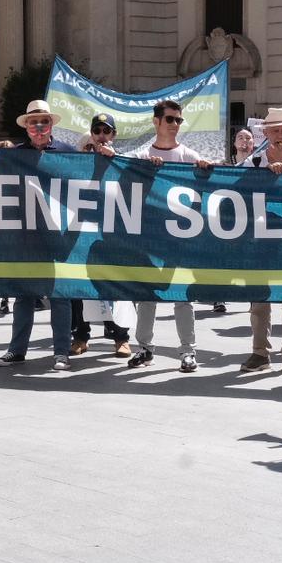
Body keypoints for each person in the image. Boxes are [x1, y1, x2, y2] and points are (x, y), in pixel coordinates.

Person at [127, 100, 211, 372]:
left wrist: (205, 168)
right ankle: (144, 348)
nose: (175, 125)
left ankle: (188, 351)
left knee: (182, 297)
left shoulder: (188, 155)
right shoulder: (141, 156)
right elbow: (120, 173)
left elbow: (211, 179)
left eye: (179, 120)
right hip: (150, 237)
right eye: (170, 119)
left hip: (180, 239)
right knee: (147, 296)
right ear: (156, 122)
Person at [0, 100, 77, 371]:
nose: (39, 127)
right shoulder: (15, 155)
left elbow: (84, 189)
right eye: (33, 123)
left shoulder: (68, 153)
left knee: (60, 296)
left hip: (57, 235)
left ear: (51, 125)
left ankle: (61, 352)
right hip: (25, 236)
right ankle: (16, 351)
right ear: (27, 127)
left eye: (44, 122)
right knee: (23, 296)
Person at [239, 106, 282, 375]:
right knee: (259, 301)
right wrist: (266, 173)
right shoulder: (252, 163)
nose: (280, 135)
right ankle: (260, 352)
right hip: (261, 239)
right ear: (266, 133)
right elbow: (240, 192)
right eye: (275, 130)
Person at [72, 112, 133, 358]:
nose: (101, 135)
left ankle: (121, 337)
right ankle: (80, 336)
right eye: (97, 131)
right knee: (79, 286)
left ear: (114, 135)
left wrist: (114, 159)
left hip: (113, 233)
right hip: (83, 231)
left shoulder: (123, 159)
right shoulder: (77, 160)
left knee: (117, 285)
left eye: (106, 131)